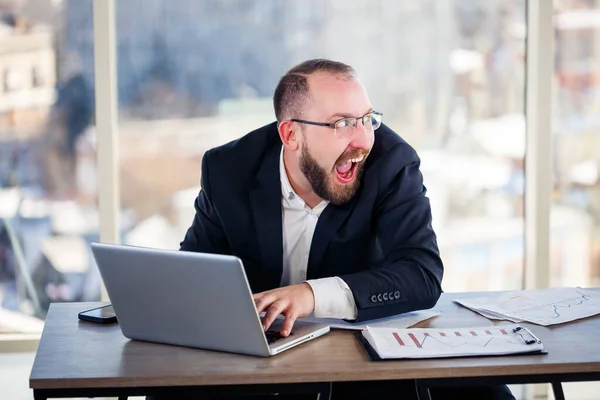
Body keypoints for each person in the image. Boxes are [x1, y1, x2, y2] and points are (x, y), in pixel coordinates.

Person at [180, 59, 514, 400]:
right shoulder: (228, 169)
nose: (363, 141)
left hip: (361, 363)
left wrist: (311, 294)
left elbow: (422, 275)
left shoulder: (392, 163)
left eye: (368, 120)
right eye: (342, 123)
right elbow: (191, 274)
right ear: (291, 134)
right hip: (258, 364)